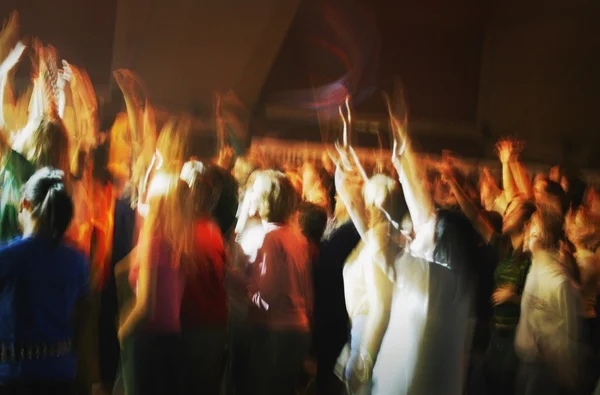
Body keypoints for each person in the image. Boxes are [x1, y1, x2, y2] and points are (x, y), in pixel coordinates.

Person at [0, 167, 90, 393]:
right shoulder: (77, 262)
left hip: (14, 376)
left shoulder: (7, 258)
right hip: (61, 373)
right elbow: (82, 318)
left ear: (25, 205)